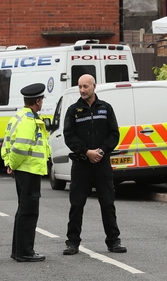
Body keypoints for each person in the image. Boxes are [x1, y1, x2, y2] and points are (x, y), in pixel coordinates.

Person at [62, 74, 127, 255]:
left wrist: (101, 151)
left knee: (107, 204)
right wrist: (86, 152)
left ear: (94, 87)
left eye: (86, 86)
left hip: (101, 164)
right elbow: (69, 136)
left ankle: (113, 241)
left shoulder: (106, 108)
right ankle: (72, 242)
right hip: (81, 165)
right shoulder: (73, 111)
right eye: (80, 86)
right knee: (76, 205)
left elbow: (114, 134)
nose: (82, 90)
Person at [1, 83, 51, 262]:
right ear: (37, 101)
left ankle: (19, 250)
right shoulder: (28, 121)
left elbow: (7, 143)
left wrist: (9, 163)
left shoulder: (18, 117)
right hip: (28, 170)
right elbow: (20, 147)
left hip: (24, 170)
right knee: (28, 212)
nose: (42, 102)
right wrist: (13, 164)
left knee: (23, 210)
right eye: (42, 100)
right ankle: (24, 252)